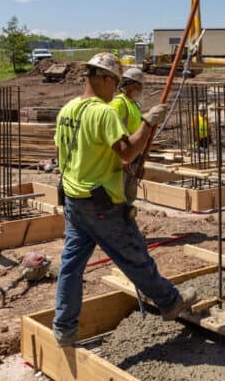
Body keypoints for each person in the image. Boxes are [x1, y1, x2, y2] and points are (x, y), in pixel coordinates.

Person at [53, 53, 196, 347]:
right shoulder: (103, 112)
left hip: (73, 199)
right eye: (115, 82)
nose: (116, 88)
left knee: (71, 265)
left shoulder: (67, 109)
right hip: (100, 203)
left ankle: (64, 329)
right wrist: (146, 123)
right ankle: (169, 302)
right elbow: (126, 151)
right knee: (133, 256)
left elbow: (71, 151)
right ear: (105, 79)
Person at [110, 67, 147, 202]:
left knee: (129, 198)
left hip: (133, 157)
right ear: (131, 84)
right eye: (139, 85)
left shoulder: (134, 105)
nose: (141, 89)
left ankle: (126, 220)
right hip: (122, 158)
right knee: (118, 198)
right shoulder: (118, 103)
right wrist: (123, 159)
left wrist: (139, 159)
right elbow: (113, 133)